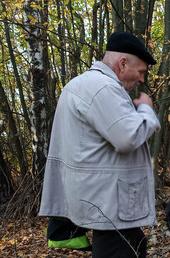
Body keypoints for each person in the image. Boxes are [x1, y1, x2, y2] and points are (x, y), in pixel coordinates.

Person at [39, 31, 161, 258]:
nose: (142, 79)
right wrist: (146, 109)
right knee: (123, 248)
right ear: (123, 63)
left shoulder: (81, 84)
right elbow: (128, 137)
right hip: (109, 205)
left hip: (100, 198)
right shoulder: (102, 88)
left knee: (134, 242)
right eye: (141, 72)